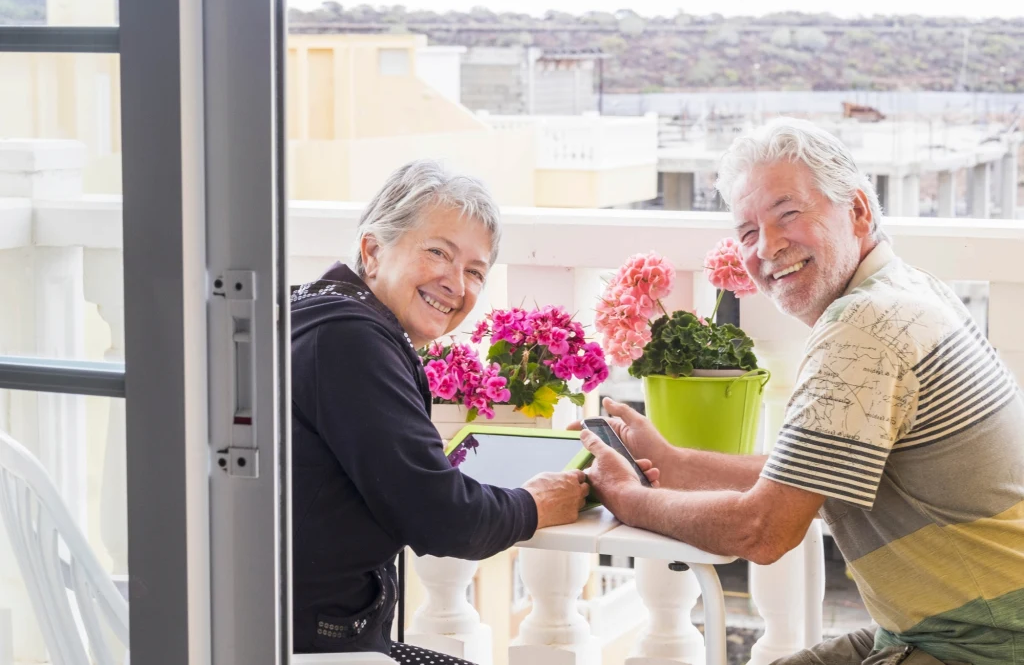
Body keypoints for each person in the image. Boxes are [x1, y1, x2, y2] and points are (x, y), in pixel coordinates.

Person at [580, 118, 1024, 665]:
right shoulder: (906, 287)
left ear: (858, 211)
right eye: (746, 233)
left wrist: (630, 500)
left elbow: (763, 529)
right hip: (939, 628)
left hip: (984, 644)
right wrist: (673, 463)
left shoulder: (864, 326)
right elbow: (807, 472)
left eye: (788, 214)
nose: (767, 247)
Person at [291, 160, 590, 660]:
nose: (457, 283)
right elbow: (442, 518)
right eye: (438, 253)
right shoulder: (350, 339)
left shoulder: (319, 311)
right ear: (373, 251)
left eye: (475, 271)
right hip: (319, 651)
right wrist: (535, 505)